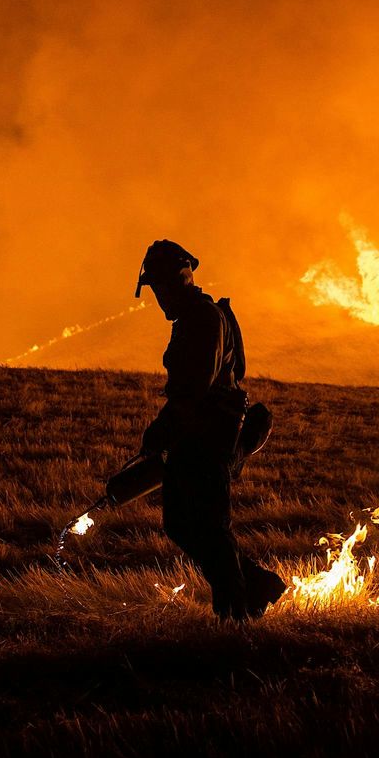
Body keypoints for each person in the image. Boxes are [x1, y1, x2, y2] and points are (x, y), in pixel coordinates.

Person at [135, 240, 286, 620]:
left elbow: (194, 389)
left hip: (210, 439)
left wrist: (162, 429)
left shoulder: (204, 320)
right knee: (182, 524)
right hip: (193, 437)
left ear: (182, 279)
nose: (160, 297)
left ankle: (234, 616)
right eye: (154, 289)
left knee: (209, 528)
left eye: (162, 287)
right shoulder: (191, 319)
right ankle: (258, 587)